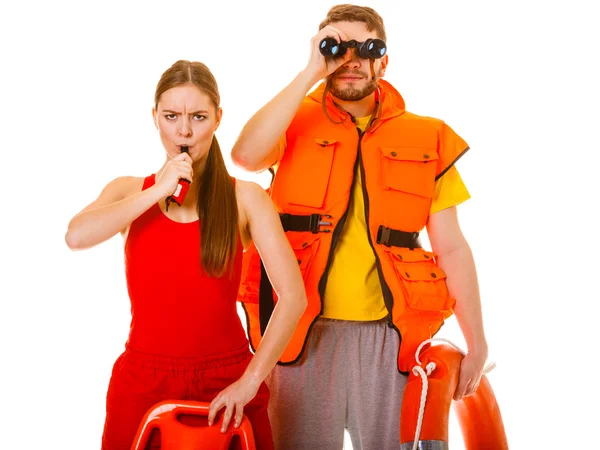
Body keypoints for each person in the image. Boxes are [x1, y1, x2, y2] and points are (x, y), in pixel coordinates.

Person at [231, 4, 489, 449]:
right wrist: (311, 69)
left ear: (383, 61)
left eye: (364, 49)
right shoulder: (292, 121)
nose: (350, 60)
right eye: (336, 47)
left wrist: (477, 343)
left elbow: (452, 249)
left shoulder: (428, 137)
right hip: (299, 335)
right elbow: (245, 156)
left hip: (392, 340)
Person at [65, 60, 307, 450]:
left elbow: (294, 297)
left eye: (198, 117)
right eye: (171, 116)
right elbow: (76, 236)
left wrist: (250, 382)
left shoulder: (245, 197)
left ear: (217, 119)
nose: (184, 130)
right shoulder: (129, 190)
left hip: (225, 379)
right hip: (142, 381)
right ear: (155, 119)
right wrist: (157, 191)